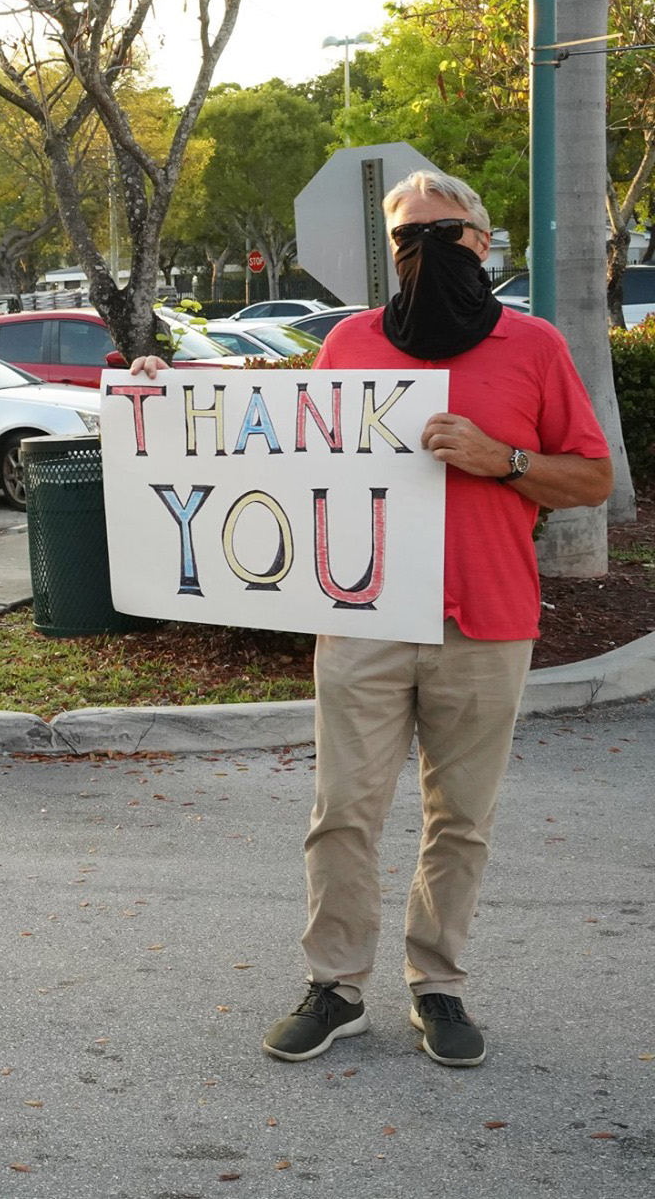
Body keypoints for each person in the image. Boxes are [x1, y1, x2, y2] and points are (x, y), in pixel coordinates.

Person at [136, 171, 612, 1067]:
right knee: (342, 811)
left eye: (444, 231)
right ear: (388, 253)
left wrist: (500, 457)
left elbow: (588, 476)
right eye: (405, 237)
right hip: (361, 616)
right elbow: (272, 445)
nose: (423, 249)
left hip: (487, 616)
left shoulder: (534, 345)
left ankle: (439, 985)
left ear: (481, 239)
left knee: (461, 818)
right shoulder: (351, 342)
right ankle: (336, 985)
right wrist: (167, 395)